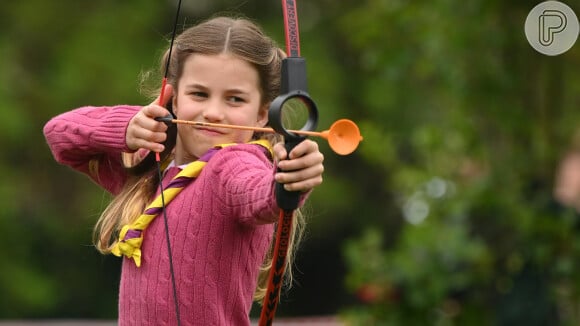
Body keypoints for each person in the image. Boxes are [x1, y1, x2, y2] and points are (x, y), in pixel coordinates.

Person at [43, 16, 324, 325]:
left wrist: (290, 180)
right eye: (199, 94)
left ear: (261, 114)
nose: (213, 113)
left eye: (235, 99)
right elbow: (59, 134)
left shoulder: (233, 164)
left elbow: (260, 195)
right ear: (172, 97)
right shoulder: (150, 172)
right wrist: (128, 125)